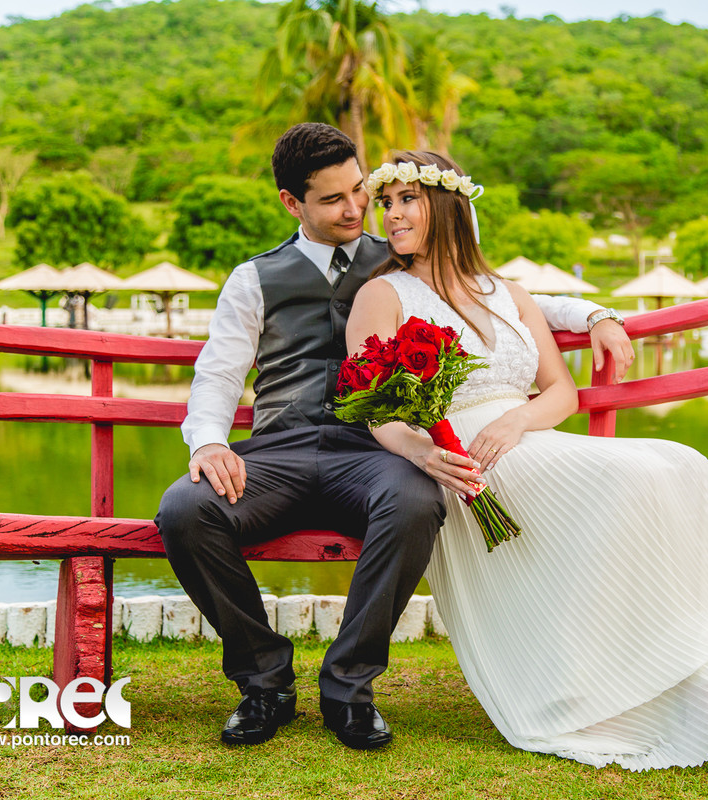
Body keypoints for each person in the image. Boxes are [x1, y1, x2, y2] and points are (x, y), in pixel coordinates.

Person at [154, 124, 634, 750]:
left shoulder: (401, 256)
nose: (356, 209)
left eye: (360, 191)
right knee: (185, 510)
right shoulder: (254, 279)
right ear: (291, 203)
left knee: (415, 501)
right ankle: (264, 680)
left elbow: (507, 298)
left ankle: (348, 685)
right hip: (281, 451)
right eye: (332, 200)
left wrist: (597, 314)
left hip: (376, 451)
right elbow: (218, 373)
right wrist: (210, 444)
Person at [347, 150, 708, 771]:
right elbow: (375, 406)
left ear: (446, 205)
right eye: (385, 203)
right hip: (461, 459)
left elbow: (561, 392)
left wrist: (520, 415)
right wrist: (429, 453)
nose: (391, 215)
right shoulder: (382, 294)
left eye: (407, 199)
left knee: (682, 465)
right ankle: (678, 694)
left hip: (525, 436)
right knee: (641, 480)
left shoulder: (507, 292)